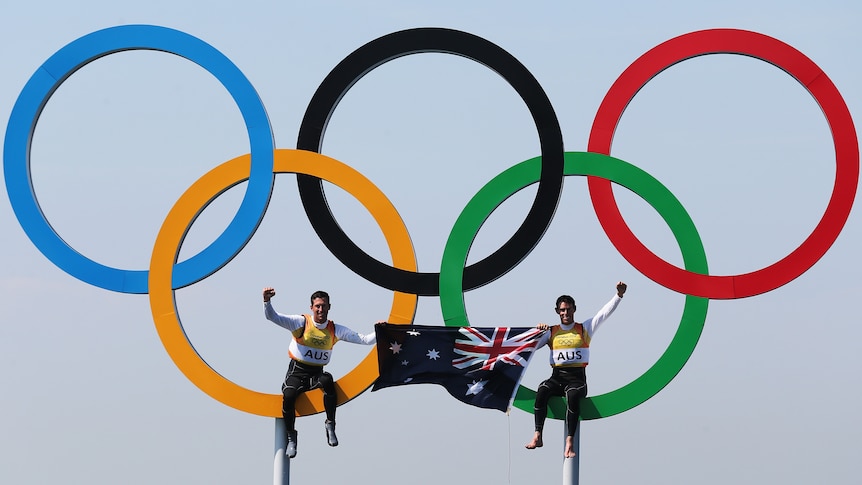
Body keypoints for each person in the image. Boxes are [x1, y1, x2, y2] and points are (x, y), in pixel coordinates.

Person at [263, 287, 382, 458]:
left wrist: (379, 330)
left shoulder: (335, 329)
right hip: (297, 372)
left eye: (324, 306)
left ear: (329, 307)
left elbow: (364, 340)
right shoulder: (300, 323)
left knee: (327, 380)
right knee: (288, 396)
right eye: (317, 306)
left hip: (316, 373)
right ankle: (291, 437)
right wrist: (267, 301)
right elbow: (272, 317)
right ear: (311, 307)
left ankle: (330, 425)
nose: (320, 309)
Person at [525, 281, 627, 458]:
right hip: (557, 378)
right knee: (542, 389)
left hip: (577, 380)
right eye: (562, 310)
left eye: (569, 309)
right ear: (557, 311)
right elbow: (529, 346)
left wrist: (618, 296)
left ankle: (569, 442)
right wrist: (537, 331)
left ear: (574, 310)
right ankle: (538, 435)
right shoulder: (551, 331)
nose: (565, 313)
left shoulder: (584, 328)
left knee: (572, 395)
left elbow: (603, 314)